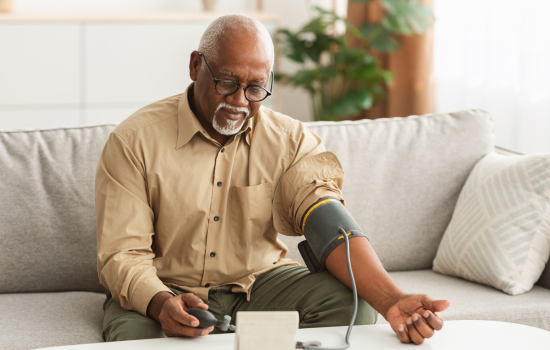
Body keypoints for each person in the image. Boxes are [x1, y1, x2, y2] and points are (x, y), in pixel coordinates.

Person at [95, 14, 450, 345]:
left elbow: (329, 225)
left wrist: (393, 299)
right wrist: (159, 304)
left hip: (258, 284)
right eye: (227, 82)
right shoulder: (134, 141)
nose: (239, 100)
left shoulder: (291, 141)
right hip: (164, 286)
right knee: (134, 339)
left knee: (351, 303)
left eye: (255, 88)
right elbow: (122, 254)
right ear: (194, 66)